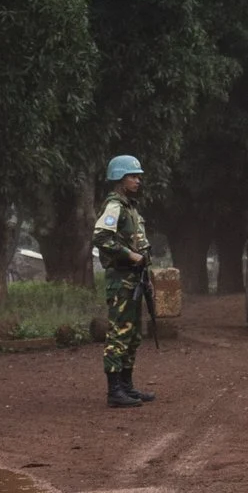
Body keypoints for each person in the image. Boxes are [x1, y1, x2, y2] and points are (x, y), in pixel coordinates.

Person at [94, 154, 156, 408]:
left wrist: (146, 274)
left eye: (139, 176)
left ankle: (127, 387)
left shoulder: (130, 207)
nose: (138, 180)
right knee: (119, 333)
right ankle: (114, 391)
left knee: (132, 335)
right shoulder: (115, 206)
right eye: (133, 176)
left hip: (135, 279)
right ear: (119, 179)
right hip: (120, 278)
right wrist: (130, 255)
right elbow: (101, 236)